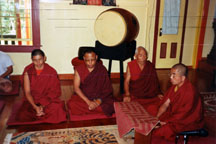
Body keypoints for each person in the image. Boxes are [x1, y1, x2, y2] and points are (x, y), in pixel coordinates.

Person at [152, 63, 203, 141]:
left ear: (183, 78)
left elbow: (184, 114)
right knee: (152, 109)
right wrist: (157, 118)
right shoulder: (175, 87)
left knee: (163, 131)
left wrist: (165, 122)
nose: (170, 78)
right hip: (174, 115)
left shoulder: (190, 92)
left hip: (186, 120)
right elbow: (165, 104)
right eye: (170, 75)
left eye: (174, 75)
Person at [15, 49, 66, 123]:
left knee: (58, 109)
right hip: (32, 100)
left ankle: (40, 112)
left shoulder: (51, 71)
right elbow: (27, 92)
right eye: (35, 60)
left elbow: (55, 92)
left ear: (44, 58)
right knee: (22, 115)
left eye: (40, 59)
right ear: (32, 60)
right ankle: (39, 112)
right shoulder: (28, 71)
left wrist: (42, 105)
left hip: (47, 100)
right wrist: (35, 107)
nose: (38, 63)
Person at [67, 48, 114, 117]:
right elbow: (76, 88)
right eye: (87, 60)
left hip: (99, 97)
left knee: (111, 104)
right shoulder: (79, 69)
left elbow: (107, 89)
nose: (90, 62)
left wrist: (98, 102)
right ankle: (96, 110)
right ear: (84, 58)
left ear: (96, 57)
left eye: (92, 60)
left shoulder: (102, 69)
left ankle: (92, 109)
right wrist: (88, 102)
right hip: (84, 97)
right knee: (72, 104)